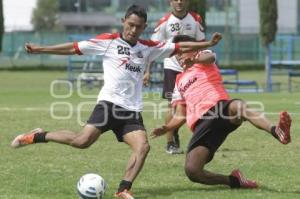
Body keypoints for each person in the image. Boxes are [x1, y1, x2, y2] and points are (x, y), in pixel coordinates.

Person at [11, 5, 222, 199]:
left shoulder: (148, 47)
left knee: (143, 147)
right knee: (81, 142)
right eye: (130, 25)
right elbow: (73, 48)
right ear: (123, 21)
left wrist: (207, 43)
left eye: (138, 27)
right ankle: (36, 136)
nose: (133, 30)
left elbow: (178, 45)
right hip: (109, 104)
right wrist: (41, 49)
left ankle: (123, 189)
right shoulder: (108, 41)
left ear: (144, 27)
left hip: (131, 111)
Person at [151, 35, 292, 189]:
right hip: (202, 126)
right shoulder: (178, 81)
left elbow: (210, 57)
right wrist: (167, 128)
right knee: (192, 171)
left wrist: (196, 60)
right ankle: (235, 181)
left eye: (182, 51)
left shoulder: (203, 58)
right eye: (176, 53)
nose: (178, 55)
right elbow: (180, 114)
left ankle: (276, 130)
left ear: (195, 49)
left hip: (220, 109)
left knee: (238, 106)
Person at [145, 0, 205, 154]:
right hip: (172, 67)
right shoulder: (164, 22)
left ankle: (200, 140)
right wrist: (147, 71)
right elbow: (153, 47)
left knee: (198, 104)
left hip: (192, 68)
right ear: (170, 2)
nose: (179, 2)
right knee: (171, 105)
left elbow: (202, 44)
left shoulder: (196, 19)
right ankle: (171, 142)